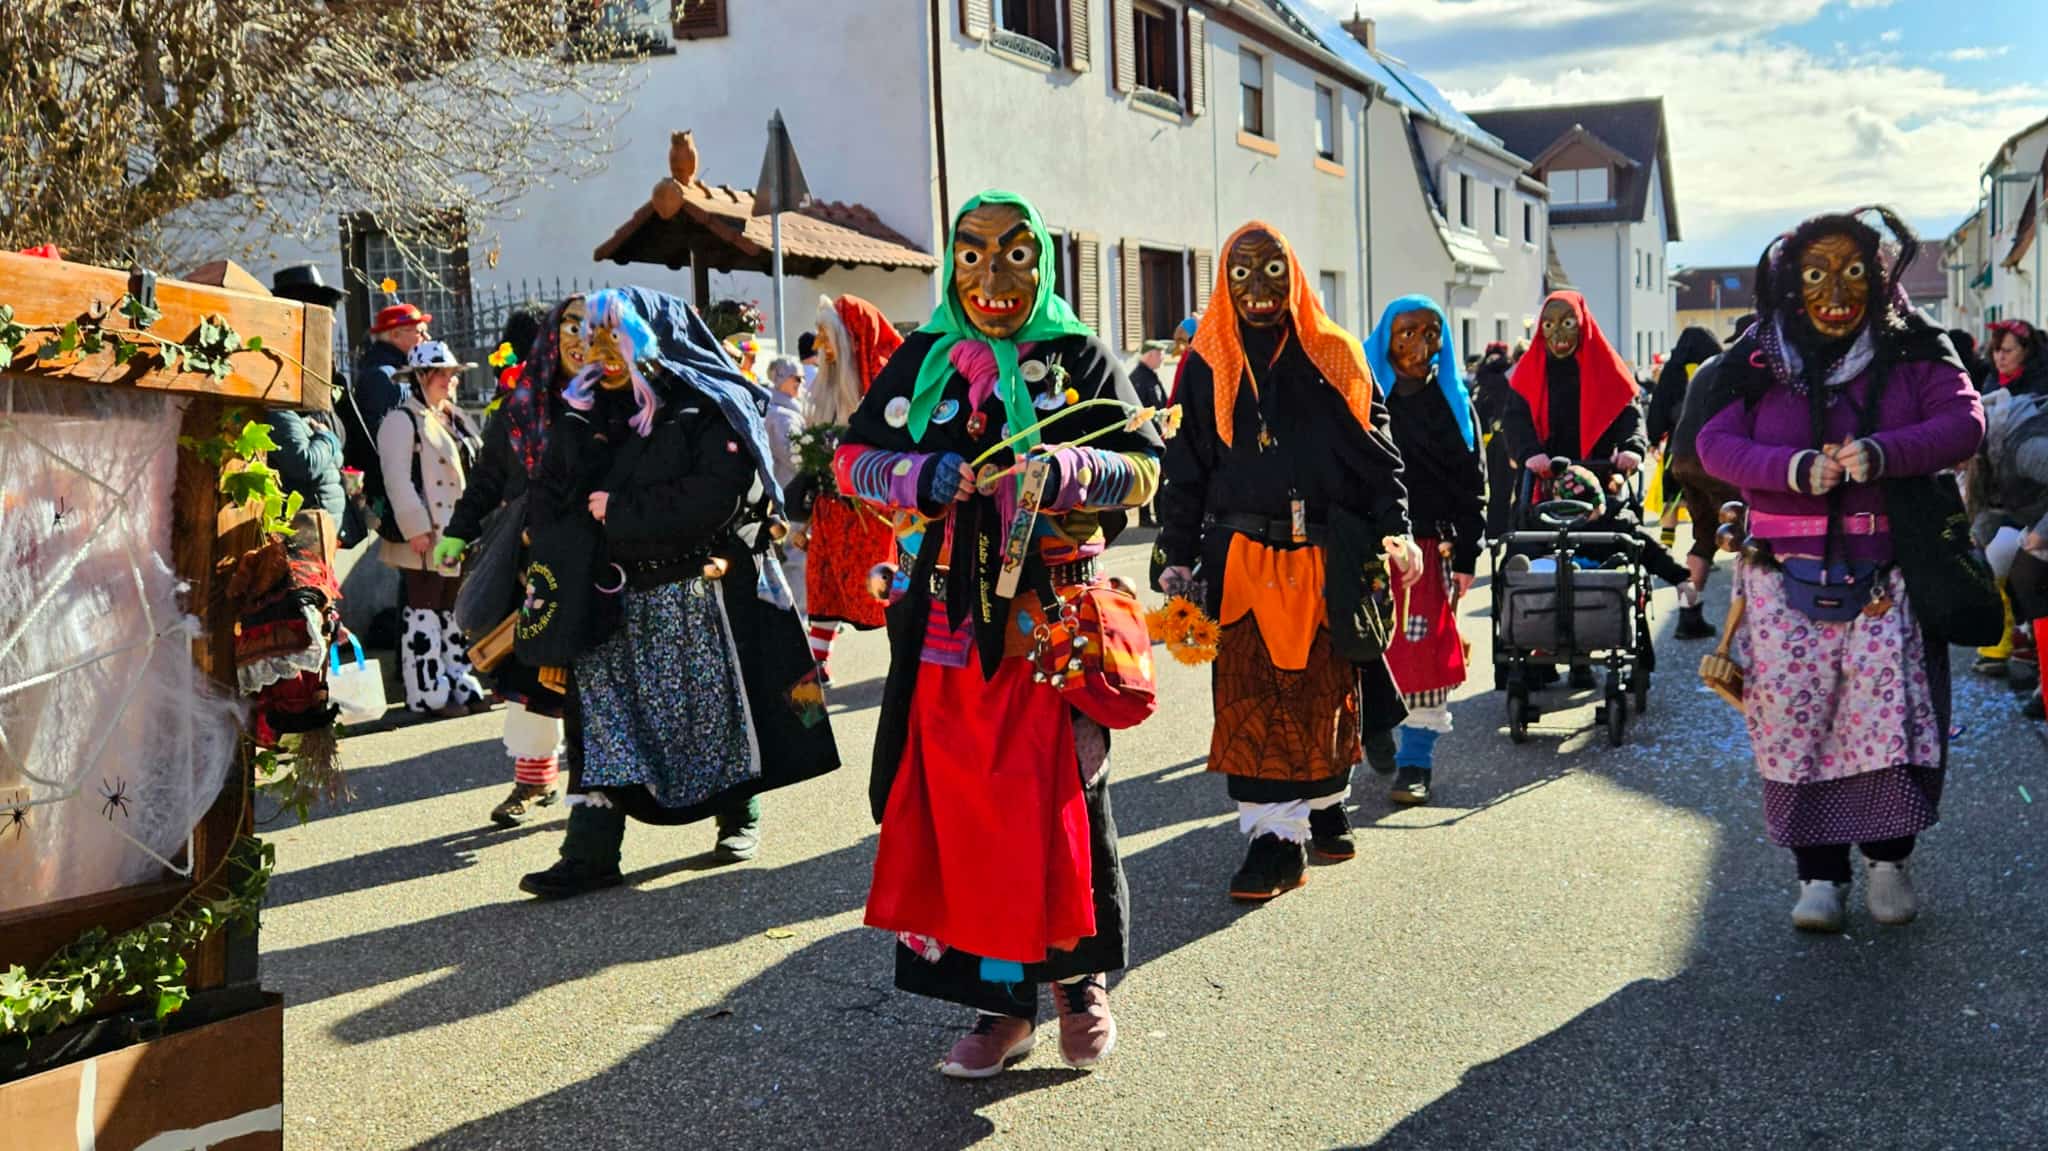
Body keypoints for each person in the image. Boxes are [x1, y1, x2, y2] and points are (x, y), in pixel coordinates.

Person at [842, 191, 1163, 1079]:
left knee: (1067, 800)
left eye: (1014, 255)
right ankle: (999, 1003)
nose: (992, 277)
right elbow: (851, 460)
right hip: (949, 629)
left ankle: (1078, 986)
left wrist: (1071, 470)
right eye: (973, 255)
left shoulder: (1080, 355)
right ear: (953, 263)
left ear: (1042, 262)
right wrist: (919, 474)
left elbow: (1146, 468)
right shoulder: (923, 357)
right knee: (968, 809)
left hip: (1052, 623)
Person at [1695, 207, 1983, 932]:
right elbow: (1712, 443)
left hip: (1889, 577)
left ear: (1879, 277)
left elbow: (1965, 423)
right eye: (1816, 274)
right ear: (1790, 282)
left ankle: (1889, 861)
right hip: (1781, 580)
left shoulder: (1913, 345)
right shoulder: (1759, 357)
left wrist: (1885, 453)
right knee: (1798, 726)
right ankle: (1818, 875)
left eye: (1853, 273)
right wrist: (1791, 468)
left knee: (1889, 725)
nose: (1834, 294)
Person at [516, 288, 839, 898]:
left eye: (615, 335)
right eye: (592, 335)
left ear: (648, 337)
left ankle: (738, 815)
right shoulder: (582, 409)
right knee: (603, 725)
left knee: (713, 721)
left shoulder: (706, 405)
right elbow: (550, 493)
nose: (600, 349)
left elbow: (719, 496)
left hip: (691, 596)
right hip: (606, 600)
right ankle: (590, 851)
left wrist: (622, 510)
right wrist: (561, 496)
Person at [1155, 220, 1420, 899]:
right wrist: (1175, 554)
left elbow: (1379, 454)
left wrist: (1398, 531)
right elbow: (1184, 467)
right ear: (1224, 282)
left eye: (1271, 270)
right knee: (1251, 704)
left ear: (1294, 275)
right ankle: (1274, 841)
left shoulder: (1334, 354)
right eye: (1240, 273)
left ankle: (1322, 807)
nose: (1257, 289)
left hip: (1323, 560)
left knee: (1319, 702)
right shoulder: (1206, 362)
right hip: (1241, 561)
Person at [438, 297, 585, 825]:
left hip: (597, 563)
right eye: (568, 331)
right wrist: (457, 532)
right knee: (528, 674)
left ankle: (596, 795)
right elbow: (486, 480)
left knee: (594, 680)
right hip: (530, 564)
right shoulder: (518, 408)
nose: (578, 344)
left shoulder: (616, 403)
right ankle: (533, 781)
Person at [1362, 296, 1484, 806]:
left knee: (1424, 659)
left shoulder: (1454, 401)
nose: (1419, 345)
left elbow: (1472, 484)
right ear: (1385, 339)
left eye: (1431, 333)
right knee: (1364, 649)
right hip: (1368, 547)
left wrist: (1469, 555)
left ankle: (1416, 761)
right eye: (1406, 334)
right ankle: (1373, 729)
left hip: (1433, 549)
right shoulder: (1359, 396)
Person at [1503, 291, 1694, 601]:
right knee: (1522, 544)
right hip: (1543, 486)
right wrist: (1530, 453)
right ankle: (1518, 610)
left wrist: (1632, 448)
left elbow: (1629, 414)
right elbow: (1515, 421)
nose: (1558, 335)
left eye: (1568, 324)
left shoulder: (1605, 367)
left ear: (1583, 325)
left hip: (1598, 483)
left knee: (1624, 533)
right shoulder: (1529, 371)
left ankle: (1681, 580)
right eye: (1549, 326)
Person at [377, 340, 489, 716]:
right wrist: (416, 529)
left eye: (453, 374)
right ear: (421, 377)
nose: (451, 380)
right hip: (427, 534)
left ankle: (457, 680)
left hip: (457, 531)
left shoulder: (455, 417)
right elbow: (396, 479)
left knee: (452, 609)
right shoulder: (401, 420)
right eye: (443, 374)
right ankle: (426, 691)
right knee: (423, 611)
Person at [800, 294, 903, 680]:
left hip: (873, 512)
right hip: (831, 508)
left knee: (887, 588)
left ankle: (905, 661)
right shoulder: (828, 387)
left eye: (825, 335)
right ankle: (817, 659)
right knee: (823, 581)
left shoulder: (886, 385)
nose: (819, 345)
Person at [1968, 384, 2048, 721]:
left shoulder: (2023, 446)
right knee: (2010, 564)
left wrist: (2041, 533)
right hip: (2035, 518)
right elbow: (1993, 507)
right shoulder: (1991, 448)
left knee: (2028, 572)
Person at [1645, 325, 1728, 639]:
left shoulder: (1675, 369)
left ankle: (1688, 615)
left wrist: (1654, 437)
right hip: (1714, 453)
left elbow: (1658, 406)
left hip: (1680, 453)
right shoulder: (1725, 365)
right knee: (1750, 531)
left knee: (1702, 534)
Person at [264, 266, 349, 528]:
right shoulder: (280, 392)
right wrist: (328, 440)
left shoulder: (324, 375)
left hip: (327, 520)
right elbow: (303, 463)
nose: (332, 323)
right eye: (324, 313)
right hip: (306, 522)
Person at [1471, 340, 1517, 541]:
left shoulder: (1483, 378)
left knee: (1497, 488)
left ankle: (1495, 529)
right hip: (1504, 437)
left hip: (1493, 438)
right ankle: (1502, 528)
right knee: (1504, 488)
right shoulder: (1510, 376)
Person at [1129, 339, 1173, 525]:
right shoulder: (1139, 378)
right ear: (1150, 355)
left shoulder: (1150, 376)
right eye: (1160, 354)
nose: (1163, 358)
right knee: (1150, 476)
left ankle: (1159, 516)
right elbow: (1140, 411)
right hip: (1147, 436)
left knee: (1158, 476)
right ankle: (1146, 517)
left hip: (1157, 434)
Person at [1987, 320, 2048, 396]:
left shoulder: (2041, 384)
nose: (2000, 357)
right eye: (1996, 350)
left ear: (2026, 351)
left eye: (2007, 350)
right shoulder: (1993, 378)